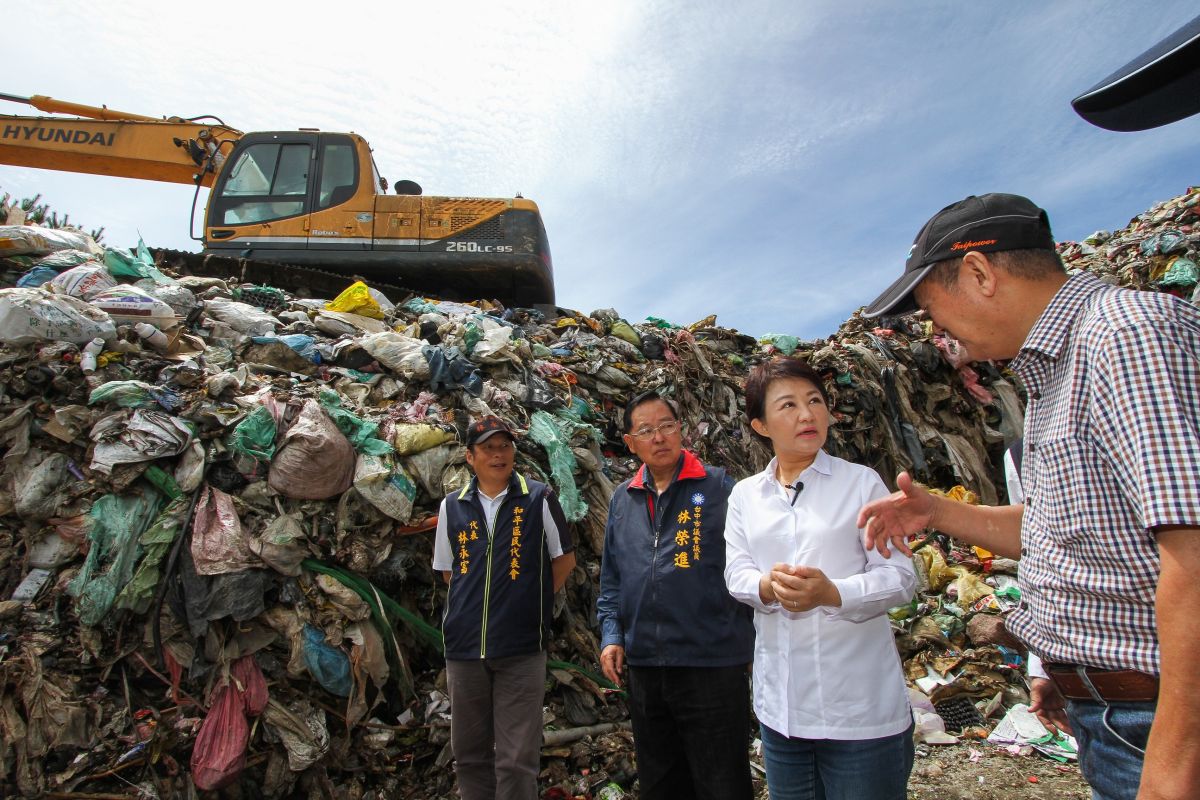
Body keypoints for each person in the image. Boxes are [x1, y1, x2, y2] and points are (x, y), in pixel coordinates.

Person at [858, 193, 1200, 800]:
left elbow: (1193, 557)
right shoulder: (1055, 371)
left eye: (932, 309)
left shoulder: (1124, 339)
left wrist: (1174, 768)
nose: (936, 331)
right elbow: (1067, 530)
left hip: (1156, 722)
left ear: (979, 273)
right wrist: (937, 511)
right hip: (1115, 711)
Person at [724, 357, 916, 800]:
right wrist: (766, 586)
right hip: (782, 716)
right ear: (760, 425)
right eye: (788, 405)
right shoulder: (745, 496)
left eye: (814, 401)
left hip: (859, 714)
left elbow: (900, 577)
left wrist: (833, 593)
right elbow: (736, 572)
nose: (807, 414)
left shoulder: (862, 484)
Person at [596, 391, 755, 800]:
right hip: (646, 667)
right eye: (646, 430)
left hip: (712, 662)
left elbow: (752, 565)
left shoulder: (719, 488)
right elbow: (612, 578)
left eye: (667, 425)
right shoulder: (623, 499)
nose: (659, 437)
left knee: (722, 783)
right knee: (661, 782)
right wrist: (612, 635)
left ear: (681, 429)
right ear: (630, 443)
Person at [432, 416, 577, 800]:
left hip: (521, 648)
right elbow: (448, 572)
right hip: (464, 649)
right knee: (470, 755)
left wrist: (528, 603)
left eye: (505, 446)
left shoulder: (538, 498)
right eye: (488, 448)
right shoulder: (452, 506)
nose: (498, 455)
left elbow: (564, 560)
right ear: (470, 456)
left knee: (516, 758)